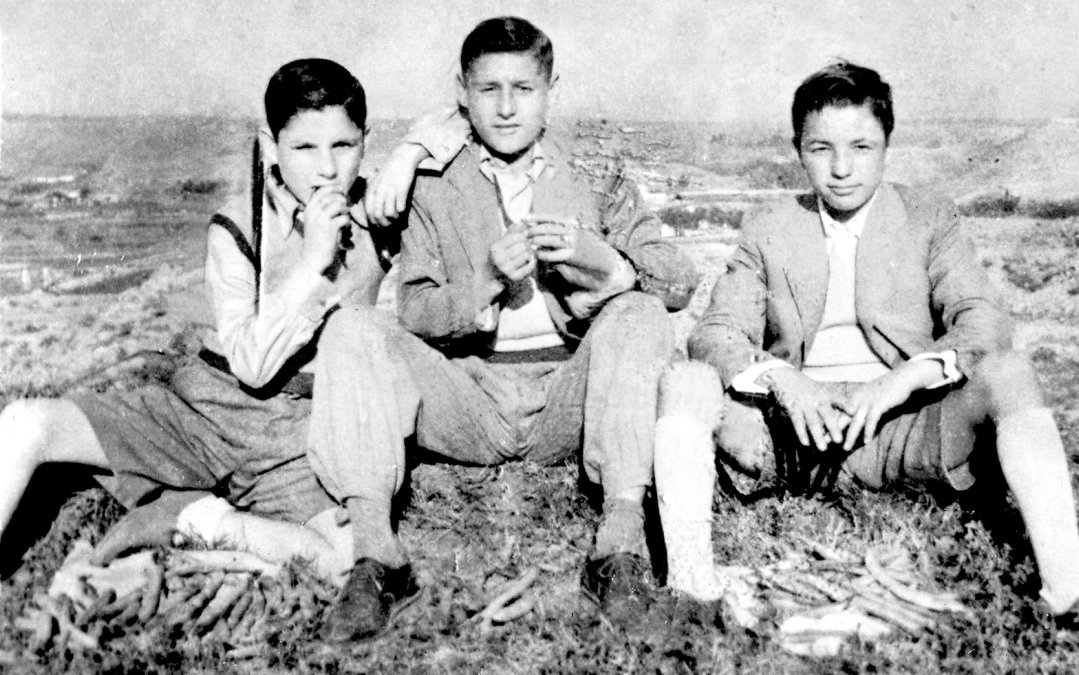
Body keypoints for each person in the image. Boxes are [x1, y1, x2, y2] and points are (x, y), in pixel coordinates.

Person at [0, 58, 444, 639]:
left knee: (344, 561)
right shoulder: (236, 226)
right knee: (28, 422)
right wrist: (312, 262)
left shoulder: (377, 215)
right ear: (270, 144)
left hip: (302, 431)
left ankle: (192, 516)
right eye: (305, 147)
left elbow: (467, 109)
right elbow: (252, 366)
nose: (328, 168)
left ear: (366, 143)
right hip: (208, 405)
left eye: (345, 144)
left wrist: (410, 153)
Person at [653, 61, 1079, 624]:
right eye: (821, 149)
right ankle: (691, 592)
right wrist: (784, 381)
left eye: (861, 147)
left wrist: (901, 381)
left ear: (887, 145)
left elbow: (982, 320)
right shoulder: (768, 225)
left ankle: (1070, 588)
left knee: (1009, 371)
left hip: (901, 428)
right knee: (685, 381)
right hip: (791, 433)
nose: (841, 169)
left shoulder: (928, 217)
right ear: (798, 149)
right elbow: (716, 333)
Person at [309, 15, 698, 632]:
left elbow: (677, 280)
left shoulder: (596, 177)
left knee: (640, 310)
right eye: (489, 90)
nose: (508, 108)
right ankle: (376, 556)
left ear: (552, 91)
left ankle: (617, 547)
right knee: (354, 328)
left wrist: (608, 267)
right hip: (471, 396)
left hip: (570, 399)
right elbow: (414, 311)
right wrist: (485, 282)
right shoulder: (436, 185)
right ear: (462, 93)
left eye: (525, 89)